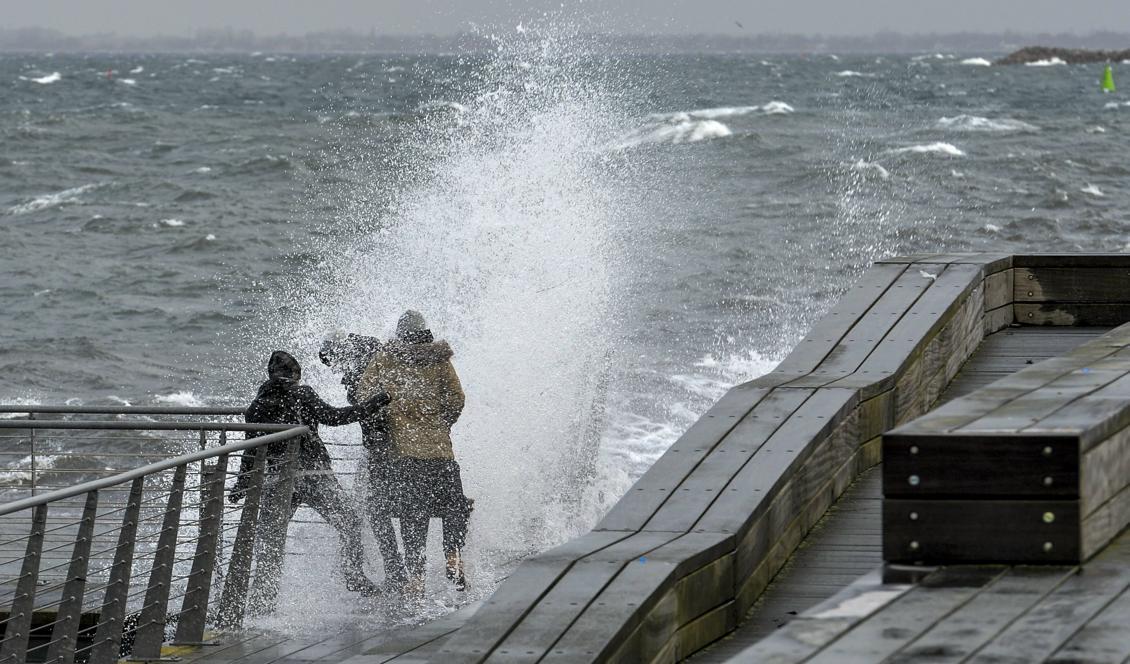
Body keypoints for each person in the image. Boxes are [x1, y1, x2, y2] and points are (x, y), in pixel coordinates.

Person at [230, 350, 390, 609]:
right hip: (313, 475)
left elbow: (252, 449)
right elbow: (335, 417)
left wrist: (241, 484)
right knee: (349, 522)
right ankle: (353, 575)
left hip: (278, 478)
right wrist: (374, 403)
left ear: (271, 374)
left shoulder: (257, 405)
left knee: (270, 538)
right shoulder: (301, 394)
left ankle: (262, 598)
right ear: (295, 374)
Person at [357, 311, 472, 597]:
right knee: (454, 505)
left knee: (414, 512)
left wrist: (387, 415)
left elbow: (364, 395)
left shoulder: (386, 358)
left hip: (404, 450)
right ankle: (453, 557)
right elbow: (457, 398)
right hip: (441, 451)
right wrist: (441, 422)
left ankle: (417, 577)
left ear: (400, 333)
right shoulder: (439, 359)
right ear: (425, 331)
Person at [319, 333, 409, 592]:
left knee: (377, 508)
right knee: (376, 508)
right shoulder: (375, 358)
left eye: (334, 364)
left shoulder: (364, 368)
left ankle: (394, 570)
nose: (337, 372)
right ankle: (396, 569)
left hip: (383, 451)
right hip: (385, 449)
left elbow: (373, 413)